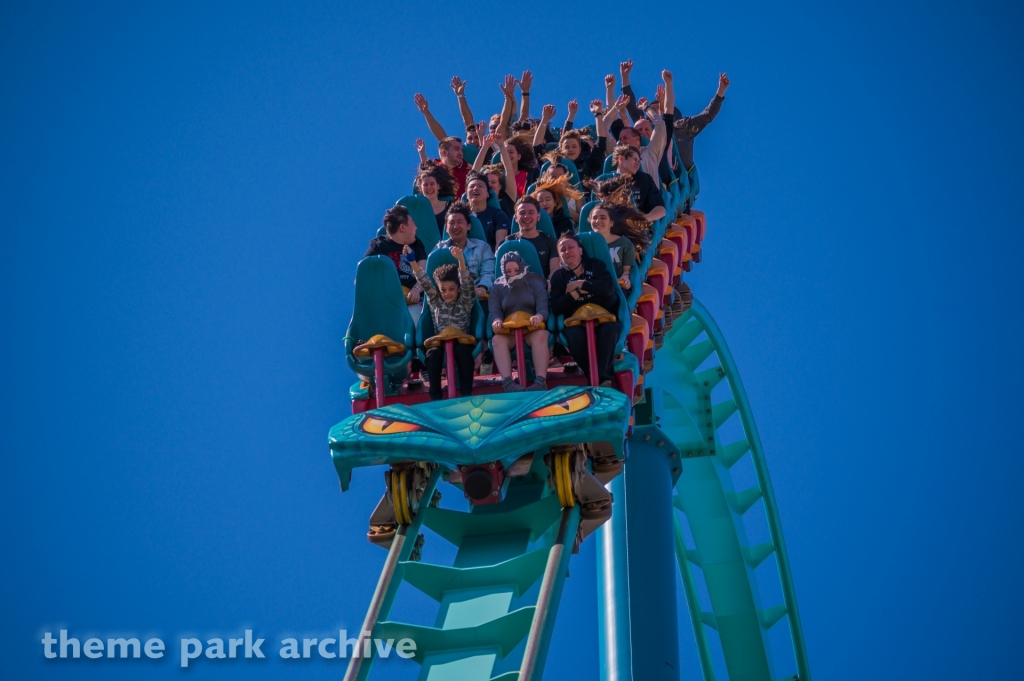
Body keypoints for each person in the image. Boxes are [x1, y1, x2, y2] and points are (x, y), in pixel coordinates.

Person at [550, 234, 622, 387]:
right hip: (575, 321)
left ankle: (603, 379)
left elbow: (608, 289)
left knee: (610, 330)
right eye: (563, 250)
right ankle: (593, 376)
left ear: (581, 251)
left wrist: (582, 284)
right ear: (560, 256)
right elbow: (556, 307)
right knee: (574, 336)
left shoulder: (597, 265)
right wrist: (577, 293)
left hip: (605, 316)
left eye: (571, 247)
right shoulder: (558, 277)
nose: (568, 252)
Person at [407, 245, 477, 400]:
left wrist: (461, 260)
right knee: (433, 354)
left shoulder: (465, 301)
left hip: (461, 341)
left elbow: (466, 282)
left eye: (451, 289)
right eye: (443, 290)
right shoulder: (436, 301)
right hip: (440, 343)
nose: (447, 293)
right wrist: (412, 260)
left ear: (458, 289)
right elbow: (424, 281)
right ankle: (436, 396)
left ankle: (466, 393)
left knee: (462, 352)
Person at [489, 251, 550, 392]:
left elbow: (543, 308)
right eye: (508, 271)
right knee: (497, 340)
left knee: (541, 336)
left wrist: (538, 317)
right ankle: (508, 383)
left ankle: (541, 381)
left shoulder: (535, 282)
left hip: (532, 329)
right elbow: (495, 310)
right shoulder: (498, 287)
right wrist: (497, 321)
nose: (513, 274)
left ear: (522, 266)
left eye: (516, 270)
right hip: (509, 332)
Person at [364, 205, 428, 323]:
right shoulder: (379, 247)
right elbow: (362, 277)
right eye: (413, 223)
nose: (416, 228)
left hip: (412, 301)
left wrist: (416, 289)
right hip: (387, 302)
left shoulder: (417, 245)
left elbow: (423, 272)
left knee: (416, 317)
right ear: (403, 227)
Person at [434, 201, 495, 298]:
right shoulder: (439, 249)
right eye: (451, 223)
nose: (455, 226)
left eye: (460, 222)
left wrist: (482, 287)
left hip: (477, 298)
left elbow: (489, 272)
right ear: (446, 228)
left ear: (468, 226)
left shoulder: (482, 247)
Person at [588, 201, 651, 291]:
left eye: (603, 218)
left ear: (611, 223)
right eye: (594, 218)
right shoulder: (584, 243)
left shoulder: (624, 243)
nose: (598, 221)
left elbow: (626, 271)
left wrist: (625, 278)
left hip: (616, 289)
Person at [607, 146, 666, 222]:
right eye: (635, 159)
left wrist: (643, 219)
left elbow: (661, 210)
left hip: (638, 227)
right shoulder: (606, 181)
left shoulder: (645, 180)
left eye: (638, 161)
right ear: (621, 159)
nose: (638, 163)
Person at [507, 196, 559, 279]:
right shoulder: (508, 242)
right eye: (522, 213)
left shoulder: (551, 242)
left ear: (538, 217)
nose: (526, 216)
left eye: (531, 212)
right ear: (516, 218)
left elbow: (554, 271)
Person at [465, 171, 510, 251]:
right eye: (472, 186)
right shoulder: (461, 215)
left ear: (488, 194)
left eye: (480, 186)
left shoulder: (498, 215)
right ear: (466, 194)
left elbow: (500, 243)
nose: (475, 188)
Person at [413, 162, 458, 232]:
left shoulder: (451, 206)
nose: (429, 187)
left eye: (432, 184)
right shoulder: (417, 212)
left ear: (438, 186)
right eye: (425, 185)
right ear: (420, 189)